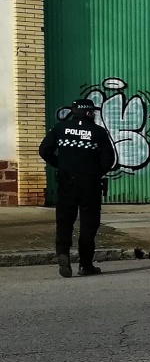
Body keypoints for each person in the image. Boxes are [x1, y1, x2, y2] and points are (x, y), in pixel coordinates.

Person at [39, 99, 117, 278]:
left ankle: (63, 254)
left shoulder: (60, 128)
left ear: (74, 112)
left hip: (66, 183)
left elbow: (44, 150)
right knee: (89, 224)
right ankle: (85, 264)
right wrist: (95, 171)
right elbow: (109, 160)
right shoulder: (98, 132)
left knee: (64, 221)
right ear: (89, 113)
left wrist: (60, 165)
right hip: (90, 185)